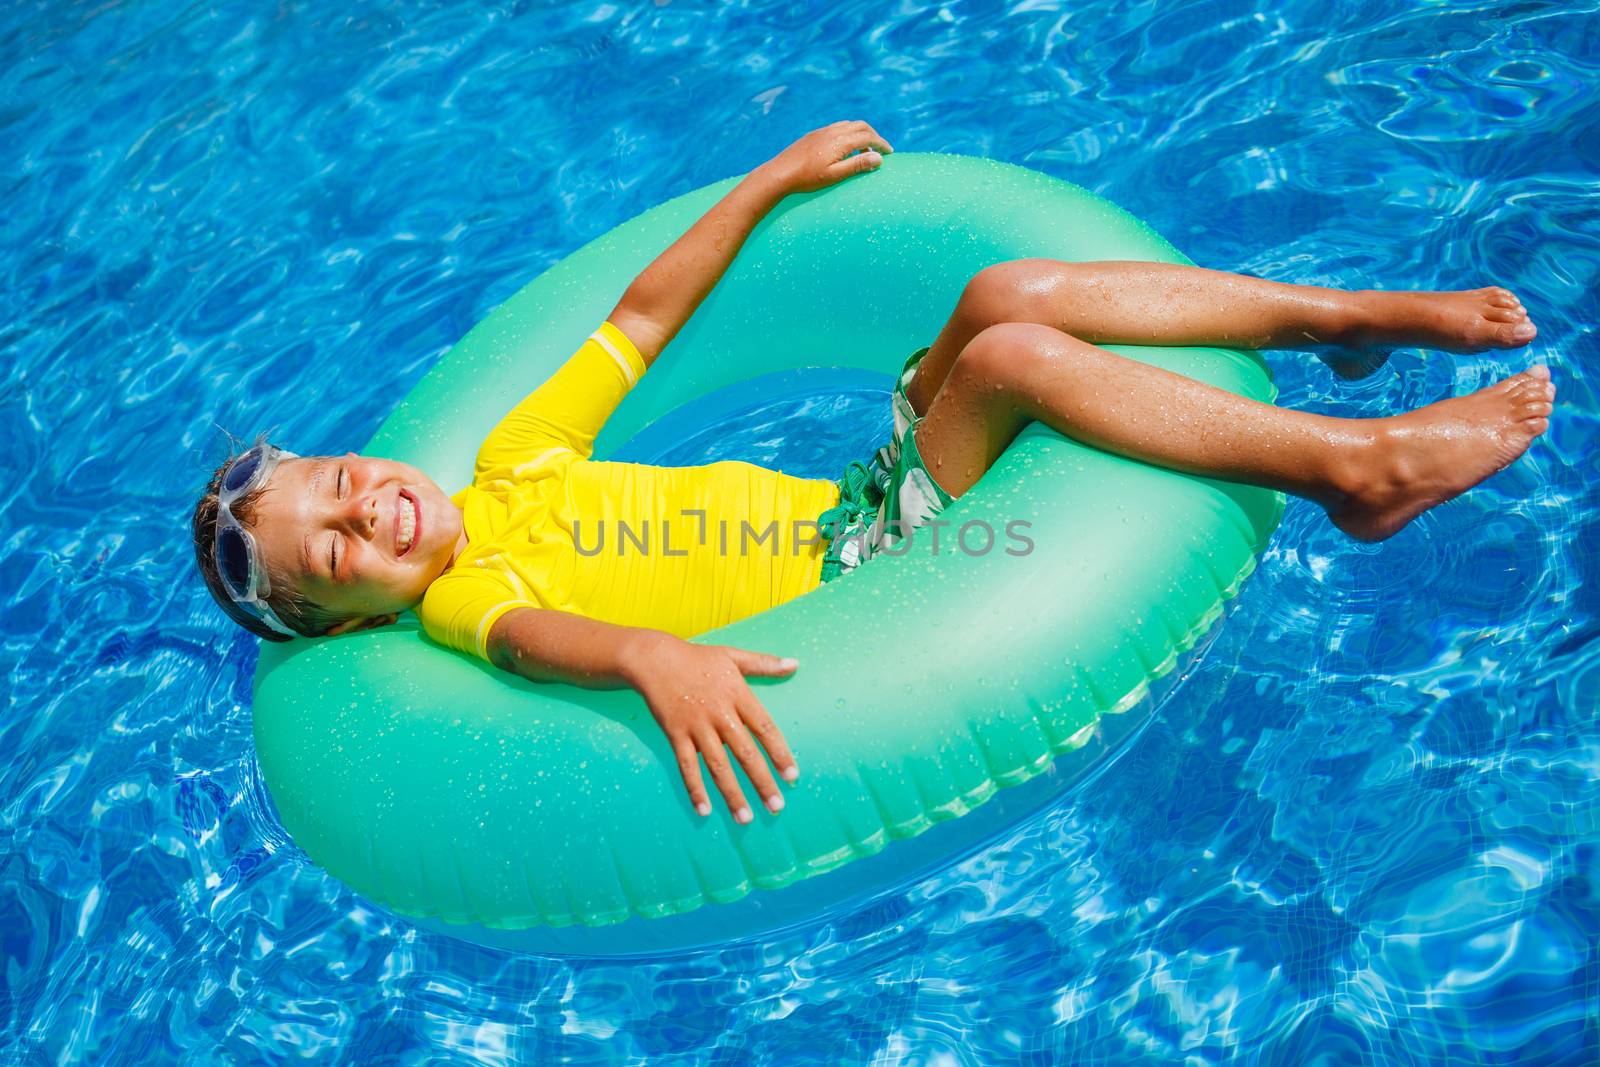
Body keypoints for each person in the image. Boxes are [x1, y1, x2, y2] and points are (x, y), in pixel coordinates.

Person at [192, 121, 1554, 825]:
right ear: (360, 612)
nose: (371, 509)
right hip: (872, 570)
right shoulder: (455, 600)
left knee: (1000, 282)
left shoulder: (513, 458)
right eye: (342, 551)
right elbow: (539, 640)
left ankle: (1337, 320)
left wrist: (764, 182)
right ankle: (1353, 467)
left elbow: (643, 322)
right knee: (1014, 351)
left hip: (864, 493)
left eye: (341, 481)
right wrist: (651, 662)